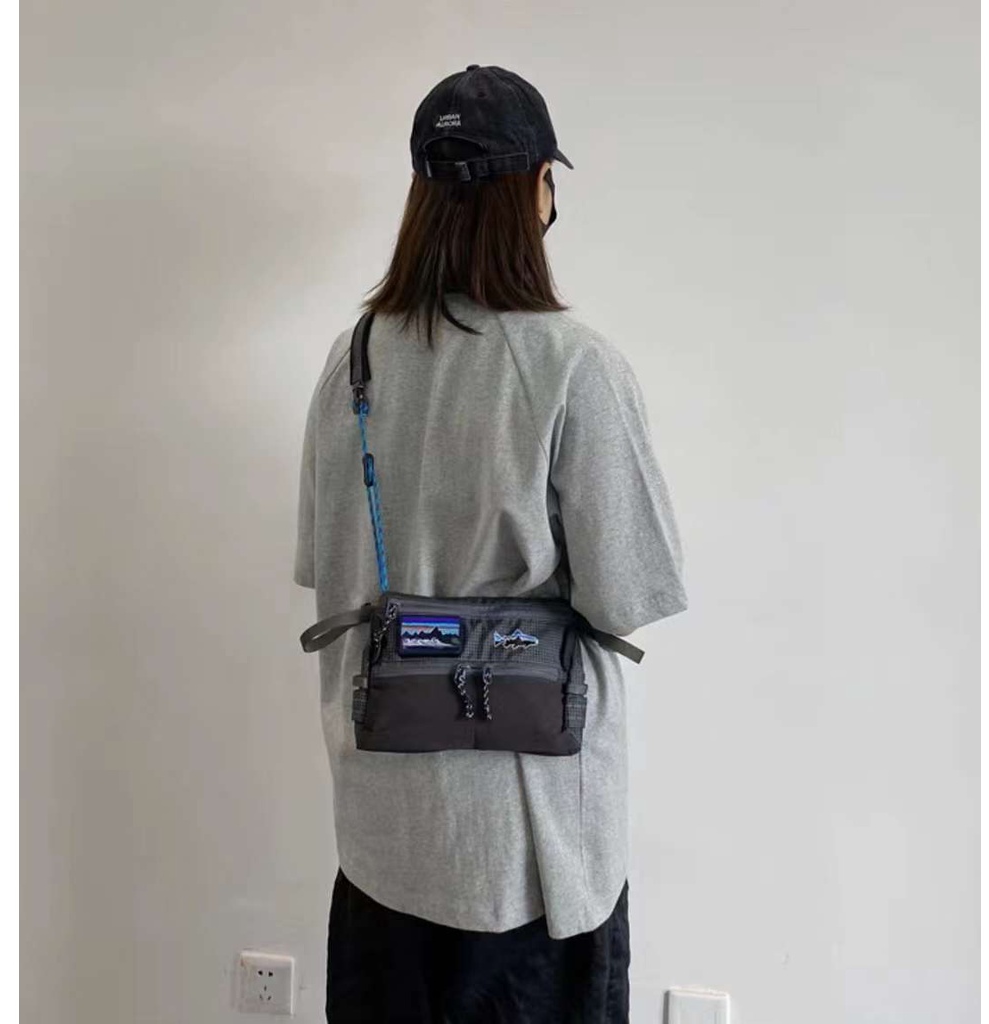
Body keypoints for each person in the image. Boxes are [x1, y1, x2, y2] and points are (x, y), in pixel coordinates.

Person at [293, 63, 689, 1024]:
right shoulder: (574, 365)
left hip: (383, 842)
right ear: (535, 191)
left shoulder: (352, 360)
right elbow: (629, 591)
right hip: (528, 847)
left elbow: (324, 566)